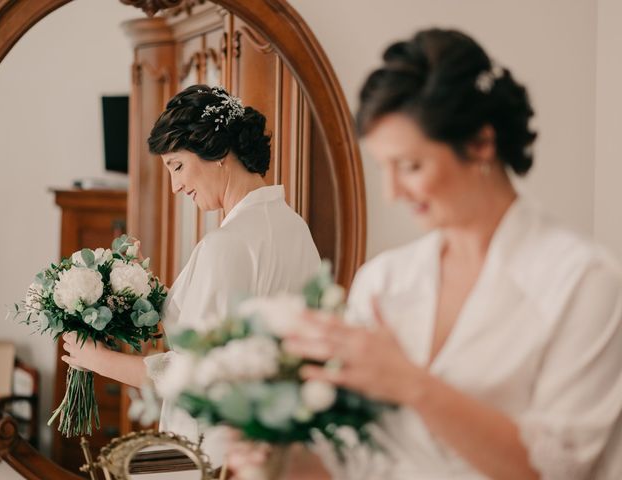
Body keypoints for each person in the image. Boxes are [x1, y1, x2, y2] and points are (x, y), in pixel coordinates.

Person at [277, 29, 622, 480]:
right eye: (384, 167)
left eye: (411, 166)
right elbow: (356, 462)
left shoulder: (584, 282)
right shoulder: (383, 280)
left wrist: (412, 384)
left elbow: (558, 469)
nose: (392, 192)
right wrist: (276, 457)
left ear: (481, 143)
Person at [61, 85, 321, 464]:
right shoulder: (294, 227)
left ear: (217, 152)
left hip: (213, 450)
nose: (176, 185)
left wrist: (94, 358)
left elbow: (193, 377)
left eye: (177, 166)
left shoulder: (226, 244)